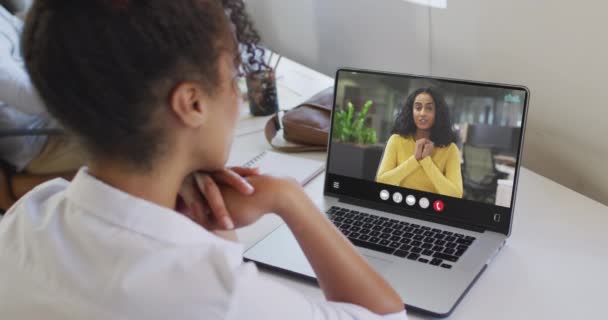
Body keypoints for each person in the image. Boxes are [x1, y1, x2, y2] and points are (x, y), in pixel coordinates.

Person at [0, 1, 407, 319]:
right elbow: (388, 316)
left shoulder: (23, 222)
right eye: (232, 78)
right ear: (192, 102)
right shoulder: (214, 296)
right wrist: (289, 199)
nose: (239, 95)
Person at [376, 88, 463, 198]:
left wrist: (427, 162)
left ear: (438, 113)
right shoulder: (396, 140)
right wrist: (414, 160)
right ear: (411, 111)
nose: (422, 113)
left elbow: (455, 195)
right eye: (418, 108)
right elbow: (382, 180)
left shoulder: (451, 149)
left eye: (429, 108)